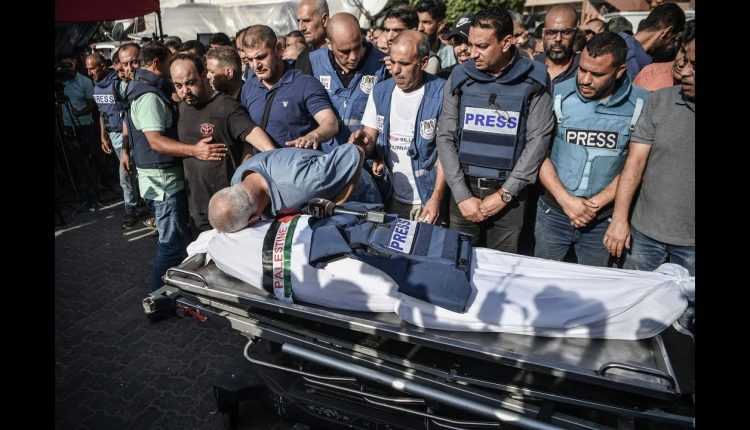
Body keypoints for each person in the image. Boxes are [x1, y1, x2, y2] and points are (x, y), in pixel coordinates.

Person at [187, 211, 695, 340]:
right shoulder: (240, 240)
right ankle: (650, 294)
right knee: (533, 282)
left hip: (416, 280)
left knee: (533, 291)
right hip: (413, 275)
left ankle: (652, 294)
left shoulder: (231, 246)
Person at [436, 7, 554, 252]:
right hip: (463, 191)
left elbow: (538, 141)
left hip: (509, 199)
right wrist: (461, 195)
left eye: (482, 46)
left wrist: (505, 194)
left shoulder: (535, 79)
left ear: (506, 42)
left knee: (502, 266)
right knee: (456, 261)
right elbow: (445, 137)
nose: (472, 53)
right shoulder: (460, 76)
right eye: (471, 44)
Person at [534, 32, 650, 267]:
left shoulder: (641, 104)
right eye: (582, 69)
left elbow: (636, 164)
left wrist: (592, 206)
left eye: (597, 74)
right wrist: (566, 200)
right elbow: (537, 153)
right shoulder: (558, 95)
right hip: (553, 213)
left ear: (619, 71)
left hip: (602, 220)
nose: (585, 80)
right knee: (543, 279)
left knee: (595, 284)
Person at [123, 42, 226, 291]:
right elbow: (155, 142)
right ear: (157, 63)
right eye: (169, 62)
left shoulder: (147, 88)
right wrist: (195, 150)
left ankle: (178, 291)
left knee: (179, 242)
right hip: (164, 184)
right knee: (171, 245)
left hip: (164, 181)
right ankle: (158, 298)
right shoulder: (149, 96)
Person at [603, 28, 695, 276]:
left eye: (695, 65)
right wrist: (620, 219)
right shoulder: (659, 101)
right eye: (685, 60)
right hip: (644, 237)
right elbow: (635, 163)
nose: (685, 71)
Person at [170, 53, 276, 236]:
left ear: (204, 75)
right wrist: (194, 150)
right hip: (198, 208)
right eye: (178, 85)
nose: (185, 91)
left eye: (190, 83)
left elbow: (259, 141)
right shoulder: (182, 107)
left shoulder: (226, 107)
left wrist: (276, 164)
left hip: (229, 209)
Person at [349, 31, 447, 224]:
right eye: (392, 62)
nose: (395, 70)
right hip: (390, 198)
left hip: (427, 201)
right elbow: (370, 137)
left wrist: (436, 197)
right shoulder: (380, 92)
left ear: (423, 63)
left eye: (404, 64)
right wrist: (363, 144)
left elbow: (447, 152)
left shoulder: (442, 93)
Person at [208, 144, 377, 232]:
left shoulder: (304, 182)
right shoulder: (238, 178)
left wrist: (335, 206)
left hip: (363, 196)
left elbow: (356, 151)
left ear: (253, 219)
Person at [240, 25, 339, 150]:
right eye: (250, 60)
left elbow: (330, 123)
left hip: (299, 161)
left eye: (261, 57)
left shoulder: (305, 84)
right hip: (261, 162)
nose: (256, 66)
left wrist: (313, 136)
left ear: (278, 49)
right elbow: (246, 133)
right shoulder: (248, 88)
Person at [305, 12, 388, 152]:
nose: (353, 56)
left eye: (357, 47)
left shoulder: (383, 65)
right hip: (324, 157)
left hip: (364, 158)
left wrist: (377, 155)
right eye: (345, 51)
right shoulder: (311, 62)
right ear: (329, 44)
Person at [86, 52, 144, 228]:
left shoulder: (118, 84)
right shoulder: (97, 86)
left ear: (103, 66)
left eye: (92, 68)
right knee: (132, 174)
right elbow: (103, 112)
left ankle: (130, 210)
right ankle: (141, 203)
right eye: (87, 69)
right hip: (113, 136)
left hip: (127, 137)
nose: (89, 73)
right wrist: (103, 135)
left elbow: (128, 111)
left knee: (125, 176)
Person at [618, 3, 685, 79]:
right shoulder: (624, 47)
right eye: (672, 39)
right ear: (667, 32)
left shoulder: (618, 41)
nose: (669, 44)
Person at [535, 4, 580, 87]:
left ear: (576, 34)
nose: (558, 39)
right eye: (552, 32)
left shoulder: (583, 69)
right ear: (543, 34)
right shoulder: (530, 66)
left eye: (566, 32)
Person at [416, 0, 456, 70]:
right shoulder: (409, 53)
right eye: (418, 22)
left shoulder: (453, 55)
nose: (420, 28)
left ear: (440, 25)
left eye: (426, 22)